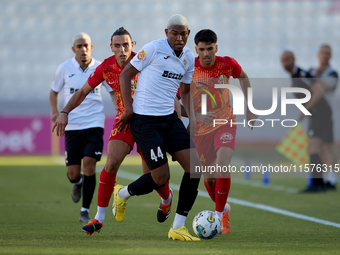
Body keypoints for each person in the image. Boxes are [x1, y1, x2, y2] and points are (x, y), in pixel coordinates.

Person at [52, 27, 173, 235]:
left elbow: (170, 90)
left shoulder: (145, 61)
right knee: (111, 162)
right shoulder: (106, 67)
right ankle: (98, 219)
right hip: (124, 120)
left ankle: (166, 198)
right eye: (117, 46)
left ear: (132, 45)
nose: (122, 49)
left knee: (154, 178)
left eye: (126, 45)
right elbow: (82, 91)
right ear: (111, 48)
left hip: (149, 121)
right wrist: (64, 111)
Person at [115, 14, 202, 241]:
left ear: (188, 35)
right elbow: (125, 75)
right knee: (161, 178)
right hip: (145, 121)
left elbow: (184, 91)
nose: (179, 37)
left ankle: (178, 227)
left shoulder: (189, 58)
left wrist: (191, 118)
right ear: (166, 33)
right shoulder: (152, 49)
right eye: (174, 33)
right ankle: (122, 193)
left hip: (170, 120)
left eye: (183, 33)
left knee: (195, 168)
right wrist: (128, 109)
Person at [179, 29, 257, 233]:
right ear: (196, 49)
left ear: (216, 48)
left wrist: (249, 107)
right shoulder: (187, 69)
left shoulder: (227, 64)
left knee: (223, 165)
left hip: (225, 121)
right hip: (200, 131)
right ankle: (224, 208)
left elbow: (244, 77)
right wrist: (194, 115)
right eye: (202, 49)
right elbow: (176, 102)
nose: (206, 53)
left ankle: (220, 216)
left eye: (210, 49)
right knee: (210, 179)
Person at [49, 32, 114, 222]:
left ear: (91, 48)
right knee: (73, 173)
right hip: (72, 126)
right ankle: (76, 183)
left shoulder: (101, 67)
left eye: (86, 45)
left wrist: (119, 106)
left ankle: (85, 210)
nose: (83, 49)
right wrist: (55, 111)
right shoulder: (64, 68)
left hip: (94, 124)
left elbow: (112, 91)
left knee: (90, 165)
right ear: (73, 49)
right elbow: (53, 93)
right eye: (79, 46)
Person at [280, 47, 338, 192]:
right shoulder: (304, 74)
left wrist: (305, 110)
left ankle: (316, 184)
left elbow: (318, 90)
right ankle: (325, 182)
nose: (285, 63)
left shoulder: (302, 75)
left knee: (313, 146)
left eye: (288, 59)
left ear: (294, 59)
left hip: (321, 113)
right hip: (320, 113)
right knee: (324, 147)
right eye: (283, 61)